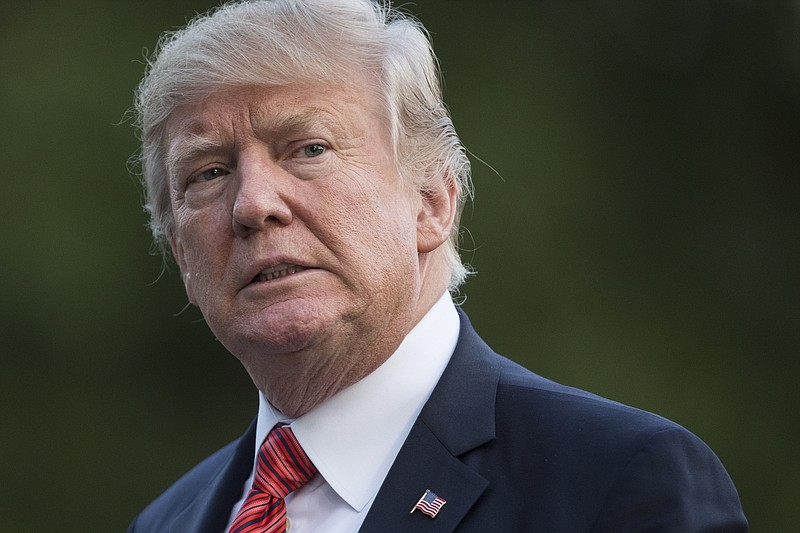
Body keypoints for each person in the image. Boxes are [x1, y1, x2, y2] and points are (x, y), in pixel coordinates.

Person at [127, 0, 748, 531]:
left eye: (309, 149)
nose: (254, 203)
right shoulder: (167, 522)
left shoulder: (616, 483)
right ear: (181, 253)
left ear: (431, 202)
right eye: (209, 173)